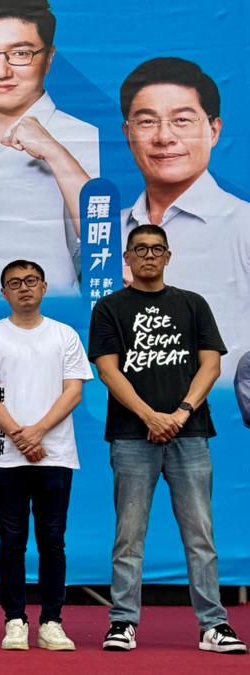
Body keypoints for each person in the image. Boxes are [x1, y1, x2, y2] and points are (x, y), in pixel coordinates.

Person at [88, 225, 246, 654]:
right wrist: (148, 416)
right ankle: (122, 622)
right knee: (129, 536)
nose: (149, 256)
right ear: (127, 256)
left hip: (190, 434)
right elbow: (107, 370)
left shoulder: (192, 304)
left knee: (200, 535)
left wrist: (180, 413)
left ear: (168, 255)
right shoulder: (109, 308)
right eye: (140, 250)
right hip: (131, 437)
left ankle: (214, 625)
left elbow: (210, 365)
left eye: (157, 249)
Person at [0, 259, 91, 651]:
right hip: (6, 455)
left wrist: (37, 431)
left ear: (44, 286)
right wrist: (20, 435)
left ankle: (52, 621)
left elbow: (73, 390)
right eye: (15, 283)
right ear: (3, 292)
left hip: (54, 453)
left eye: (31, 280)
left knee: (53, 540)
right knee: (12, 540)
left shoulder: (64, 335)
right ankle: (15, 620)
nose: (24, 288)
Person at [119, 57, 250, 381]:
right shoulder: (109, 232)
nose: (164, 137)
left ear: (214, 130)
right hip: (124, 420)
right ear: (127, 132)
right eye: (147, 121)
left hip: (218, 422)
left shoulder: (243, 224)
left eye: (182, 121)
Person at [0, 0, 98, 296]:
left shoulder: (83, 136)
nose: (0, 71)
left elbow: (101, 240)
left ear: (48, 58)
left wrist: (55, 152)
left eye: (20, 53)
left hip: (53, 322)